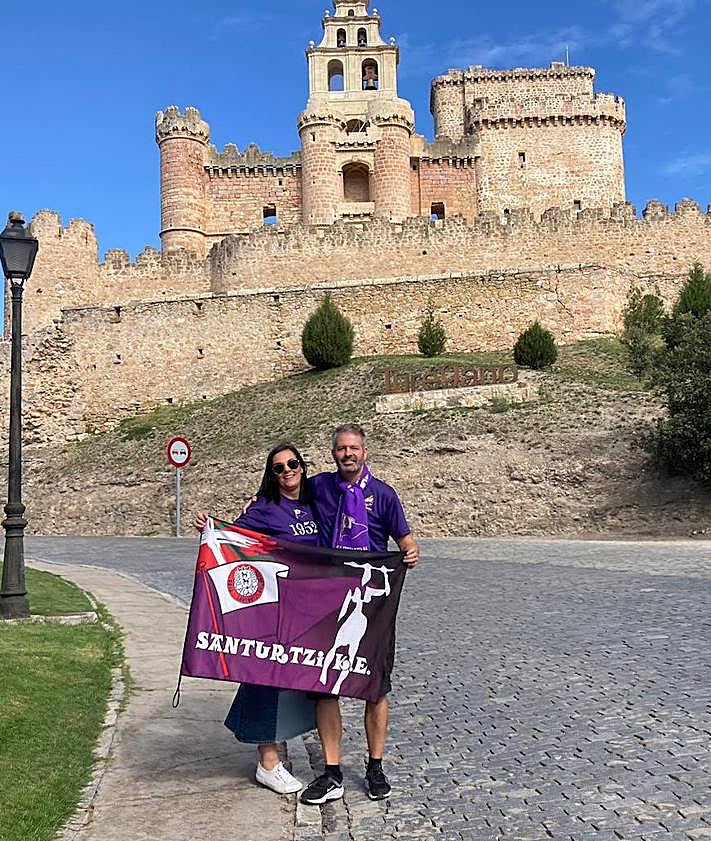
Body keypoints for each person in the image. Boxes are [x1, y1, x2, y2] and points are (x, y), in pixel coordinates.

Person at [299, 423, 419, 806]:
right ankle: (332, 771)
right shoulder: (319, 487)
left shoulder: (384, 495)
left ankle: (375, 766)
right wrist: (250, 510)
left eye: (353, 448)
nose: (347, 454)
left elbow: (405, 540)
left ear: (365, 452)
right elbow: (282, 498)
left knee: (375, 686)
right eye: (341, 448)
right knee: (325, 684)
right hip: (330, 600)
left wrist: (411, 551)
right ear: (333, 453)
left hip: (373, 606)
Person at [194, 443, 319, 795]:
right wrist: (210, 528)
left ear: (302, 466)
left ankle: (268, 739)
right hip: (274, 606)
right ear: (272, 475)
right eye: (278, 467)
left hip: (308, 607)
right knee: (264, 674)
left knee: (294, 677)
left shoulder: (316, 503)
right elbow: (232, 538)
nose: (287, 471)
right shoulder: (266, 508)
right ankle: (267, 761)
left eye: (292, 463)